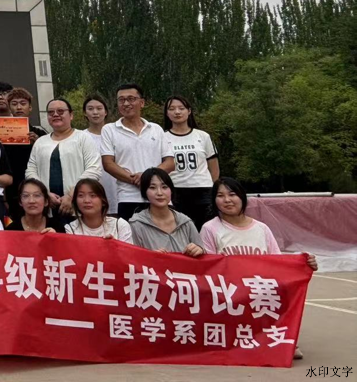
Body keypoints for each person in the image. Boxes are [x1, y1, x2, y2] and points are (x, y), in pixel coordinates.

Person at [201, 176, 317, 362]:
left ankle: (282, 339)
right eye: (220, 196)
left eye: (232, 194)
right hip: (229, 293)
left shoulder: (261, 229)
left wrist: (304, 263)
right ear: (214, 200)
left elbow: (278, 263)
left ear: (242, 197)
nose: (227, 200)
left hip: (259, 291)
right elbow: (208, 267)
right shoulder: (210, 229)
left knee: (283, 290)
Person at [100, 84, 175, 221]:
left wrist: (147, 178)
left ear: (142, 103)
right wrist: (135, 179)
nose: (126, 103)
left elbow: (170, 163)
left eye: (131, 99)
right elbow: (108, 164)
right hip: (128, 197)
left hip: (160, 196)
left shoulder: (156, 129)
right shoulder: (109, 130)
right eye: (121, 100)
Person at [25, 98, 102, 223]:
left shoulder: (83, 138)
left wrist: (72, 195)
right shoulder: (40, 142)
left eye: (60, 111)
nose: (55, 115)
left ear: (71, 115)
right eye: (51, 112)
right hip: (47, 206)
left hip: (77, 206)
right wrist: (45, 194)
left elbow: (94, 169)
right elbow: (31, 171)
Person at [163, 95, 219, 230]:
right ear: (167, 113)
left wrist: (213, 188)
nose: (177, 112)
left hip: (203, 190)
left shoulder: (203, 136)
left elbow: (214, 166)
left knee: (205, 230)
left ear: (189, 111)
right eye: (172, 109)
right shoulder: (162, 137)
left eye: (181, 108)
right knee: (180, 230)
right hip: (176, 190)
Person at [129, 168, 204, 256]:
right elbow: (133, 258)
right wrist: (150, 257)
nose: (159, 193)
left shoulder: (186, 222)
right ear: (144, 192)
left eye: (164, 187)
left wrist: (199, 249)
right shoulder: (137, 224)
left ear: (171, 190)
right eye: (152, 188)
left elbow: (203, 253)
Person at [80, 93, 118, 216]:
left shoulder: (116, 134)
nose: (95, 112)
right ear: (85, 113)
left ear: (105, 112)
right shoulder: (80, 137)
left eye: (99, 108)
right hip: (91, 190)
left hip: (116, 189)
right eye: (90, 109)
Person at [65, 178, 133, 243]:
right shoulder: (70, 229)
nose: (86, 200)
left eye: (92, 195)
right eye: (81, 195)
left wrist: (114, 245)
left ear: (103, 201)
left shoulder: (120, 225)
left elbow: (128, 251)